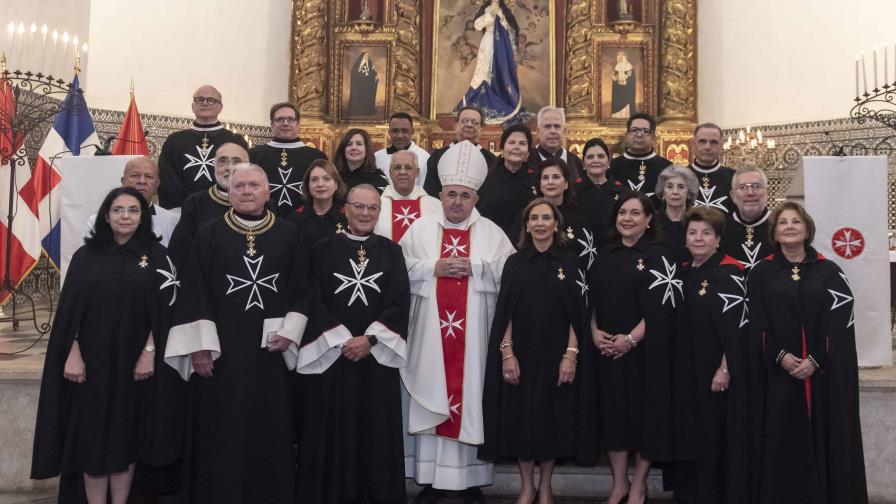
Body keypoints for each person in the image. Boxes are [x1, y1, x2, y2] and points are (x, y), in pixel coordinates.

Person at [163, 164, 309, 504]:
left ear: (267, 191)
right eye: (240, 185)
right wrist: (199, 348)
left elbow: (303, 285)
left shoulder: (289, 233)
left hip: (270, 353)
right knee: (222, 427)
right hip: (221, 354)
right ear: (229, 193)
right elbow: (194, 290)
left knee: (270, 428)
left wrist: (290, 332)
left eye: (254, 185)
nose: (246, 191)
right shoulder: (210, 233)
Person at [32, 187, 178, 504]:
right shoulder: (86, 257)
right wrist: (72, 354)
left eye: (133, 210)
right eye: (117, 210)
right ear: (106, 216)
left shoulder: (158, 257)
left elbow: (166, 314)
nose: (125, 216)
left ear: (142, 216)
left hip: (135, 366)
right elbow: (69, 314)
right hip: (89, 367)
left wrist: (149, 354)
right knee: (92, 438)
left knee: (126, 439)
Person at [400, 140, 515, 503]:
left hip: (474, 343)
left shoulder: (494, 234)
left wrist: (478, 268)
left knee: (470, 401)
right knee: (434, 397)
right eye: (451, 194)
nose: (456, 202)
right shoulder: (418, 230)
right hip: (430, 339)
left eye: (464, 196)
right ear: (441, 194)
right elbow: (397, 273)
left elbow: (512, 281)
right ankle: (431, 481)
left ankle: (470, 480)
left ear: (476, 199)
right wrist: (431, 268)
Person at [295, 184, 411, 504]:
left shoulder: (392, 252)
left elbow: (400, 302)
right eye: (358, 207)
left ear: (379, 212)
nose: (365, 213)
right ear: (345, 209)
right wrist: (341, 339)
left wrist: (370, 339)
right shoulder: (321, 249)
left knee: (375, 433)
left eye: (372, 208)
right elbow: (313, 298)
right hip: (333, 355)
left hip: (374, 358)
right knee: (330, 432)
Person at [748, 201, 868, 503]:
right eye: (783, 222)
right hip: (777, 375)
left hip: (821, 376)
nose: (789, 226)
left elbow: (840, 323)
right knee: (780, 441)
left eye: (796, 222)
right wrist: (781, 357)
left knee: (823, 440)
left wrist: (815, 360)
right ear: (774, 232)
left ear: (807, 229)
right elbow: (755, 322)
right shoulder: (761, 273)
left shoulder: (829, 272)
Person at [479, 199, 596, 504]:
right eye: (535, 218)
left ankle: (545, 486)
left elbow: (578, 315)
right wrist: (507, 353)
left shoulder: (571, 262)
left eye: (547, 218)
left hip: (558, 356)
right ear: (526, 225)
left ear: (557, 224)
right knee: (522, 420)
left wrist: (571, 355)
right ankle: (526, 486)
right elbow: (505, 312)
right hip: (522, 355)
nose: (541, 223)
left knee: (552, 420)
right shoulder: (514, 263)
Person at [588, 191, 678, 504]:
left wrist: (630, 340)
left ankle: (638, 485)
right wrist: (595, 331)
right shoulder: (605, 253)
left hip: (644, 351)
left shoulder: (660, 254)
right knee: (613, 416)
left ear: (649, 219)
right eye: (622, 212)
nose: (627, 218)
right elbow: (591, 300)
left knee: (643, 417)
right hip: (607, 350)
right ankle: (619, 483)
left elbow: (662, 308)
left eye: (635, 213)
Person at [671, 206, 750, 504]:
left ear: (718, 238)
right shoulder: (683, 271)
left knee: (714, 434)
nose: (699, 238)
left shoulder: (729, 272)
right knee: (690, 432)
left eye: (706, 233)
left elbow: (738, 327)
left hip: (715, 369)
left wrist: (725, 367)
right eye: (693, 233)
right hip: (686, 368)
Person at [157, 85, 248, 209]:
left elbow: (242, 175)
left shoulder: (236, 141)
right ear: (193, 106)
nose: (205, 103)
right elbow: (167, 179)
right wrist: (185, 208)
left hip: (225, 210)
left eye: (211, 100)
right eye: (200, 99)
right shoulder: (175, 140)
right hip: (181, 212)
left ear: (220, 107)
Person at [166, 142, 248, 270]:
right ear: (214, 166)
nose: (229, 167)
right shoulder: (195, 203)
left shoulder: (264, 204)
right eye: (223, 161)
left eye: (237, 161)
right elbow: (180, 253)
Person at [249, 102, 327, 216]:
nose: (285, 123)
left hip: (305, 220)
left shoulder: (316, 156)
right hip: (263, 218)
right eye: (280, 119)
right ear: (272, 124)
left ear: (298, 124)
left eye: (290, 119)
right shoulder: (254, 154)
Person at [84, 156, 179, 246]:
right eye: (135, 175)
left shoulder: (172, 221)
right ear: (123, 181)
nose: (142, 181)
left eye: (149, 176)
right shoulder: (96, 221)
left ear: (157, 184)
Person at [454, 0, 522, 124]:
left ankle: (497, 100)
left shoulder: (504, 10)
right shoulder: (486, 8)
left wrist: (502, 19)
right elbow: (477, 25)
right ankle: (474, 102)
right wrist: (490, 14)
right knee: (483, 71)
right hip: (488, 43)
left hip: (501, 47)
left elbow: (511, 29)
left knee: (498, 73)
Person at [423, 105, 498, 197]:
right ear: (456, 125)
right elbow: (431, 191)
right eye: (464, 121)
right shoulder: (437, 156)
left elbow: (492, 193)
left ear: (481, 129)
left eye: (474, 122)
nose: (469, 125)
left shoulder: (491, 160)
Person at [476, 124, 534, 238]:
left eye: (522, 143)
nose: (516, 147)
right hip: (492, 240)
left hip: (526, 242)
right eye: (511, 142)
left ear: (528, 152)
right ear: (502, 148)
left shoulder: (536, 179)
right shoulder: (486, 178)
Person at [375, 150, 442, 243]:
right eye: (397, 167)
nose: (402, 172)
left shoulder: (435, 205)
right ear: (390, 173)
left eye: (408, 167)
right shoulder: (376, 205)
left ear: (417, 172)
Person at [288, 159, 349, 252]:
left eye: (327, 179)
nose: (320, 184)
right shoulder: (294, 221)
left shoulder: (348, 217)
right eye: (314, 179)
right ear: (308, 185)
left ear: (336, 185)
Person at [720, 166, 773, 272]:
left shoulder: (779, 226)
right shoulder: (721, 228)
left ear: (767, 192)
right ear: (733, 195)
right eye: (742, 187)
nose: (750, 193)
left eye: (756, 186)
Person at [608, 112, 671, 197]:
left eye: (645, 131)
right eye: (634, 130)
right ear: (627, 135)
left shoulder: (667, 167)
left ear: (653, 137)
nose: (639, 135)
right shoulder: (613, 166)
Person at [527, 107, 586, 192]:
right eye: (547, 126)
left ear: (564, 131)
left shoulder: (576, 163)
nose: (552, 131)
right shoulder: (527, 160)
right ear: (538, 132)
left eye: (557, 126)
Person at [579, 138, 622, 247]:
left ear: (609, 161)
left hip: (612, 251)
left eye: (601, 156)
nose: (595, 160)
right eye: (590, 157)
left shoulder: (622, 192)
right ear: (583, 162)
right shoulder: (572, 191)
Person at [654, 165, 699, 266]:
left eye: (681, 187)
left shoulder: (697, 221)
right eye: (669, 187)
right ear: (663, 193)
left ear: (689, 193)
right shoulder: (651, 221)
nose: (675, 192)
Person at [688, 123, 736, 213]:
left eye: (713, 142)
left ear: (721, 146)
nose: (707, 147)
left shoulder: (734, 177)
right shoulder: (680, 176)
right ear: (693, 144)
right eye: (702, 141)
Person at [375, 112, 430, 186]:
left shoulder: (424, 158)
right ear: (389, 133)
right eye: (395, 131)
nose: (400, 135)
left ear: (412, 132)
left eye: (404, 131)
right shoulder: (377, 157)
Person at [335, 128, 390, 193]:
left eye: (359, 144)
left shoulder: (379, 178)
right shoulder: (334, 175)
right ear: (343, 149)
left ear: (367, 148)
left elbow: (390, 201)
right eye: (349, 144)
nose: (353, 147)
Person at [348, 52, 380, 116]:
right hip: (360, 85)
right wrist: (358, 73)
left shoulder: (370, 64)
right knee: (360, 97)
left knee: (367, 97)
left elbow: (374, 72)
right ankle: (358, 111)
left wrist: (376, 76)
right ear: (363, 56)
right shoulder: (358, 64)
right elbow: (353, 72)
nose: (367, 57)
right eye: (366, 56)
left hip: (368, 84)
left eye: (368, 56)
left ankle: (367, 111)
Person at [611, 51, 636, 119]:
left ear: (624, 57)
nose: (619, 59)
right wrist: (614, 76)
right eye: (618, 57)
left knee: (626, 100)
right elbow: (615, 77)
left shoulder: (629, 65)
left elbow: (631, 78)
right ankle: (618, 115)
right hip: (619, 89)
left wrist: (623, 77)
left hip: (626, 88)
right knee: (619, 100)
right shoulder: (617, 66)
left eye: (621, 57)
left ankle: (626, 115)